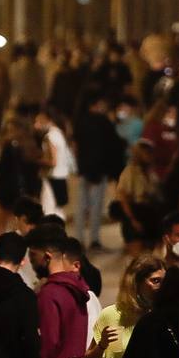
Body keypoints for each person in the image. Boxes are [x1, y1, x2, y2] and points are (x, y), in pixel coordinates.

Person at [74, 97, 125, 251]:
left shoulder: (81, 121)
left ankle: (79, 239)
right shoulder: (103, 122)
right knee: (96, 207)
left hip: (84, 170)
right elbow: (113, 144)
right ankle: (94, 240)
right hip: (99, 170)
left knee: (82, 205)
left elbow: (77, 146)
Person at [115, 139, 162, 254]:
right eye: (147, 153)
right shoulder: (130, 172)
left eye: (151, 152)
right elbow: (123, 197)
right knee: (137, 255)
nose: (150, 156)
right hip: (135, 212)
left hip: (151, 214)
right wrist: (133, 220)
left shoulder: (151, 172)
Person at [34, 108, 74, 217]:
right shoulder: (59, 133)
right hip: (61, 175)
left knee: (49, 210)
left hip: (51, 177)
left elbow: (52, 161)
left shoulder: (50, 136)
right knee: (58, 209)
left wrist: (36, 160)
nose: (36, 125)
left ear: (47, 120)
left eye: (38, 121)